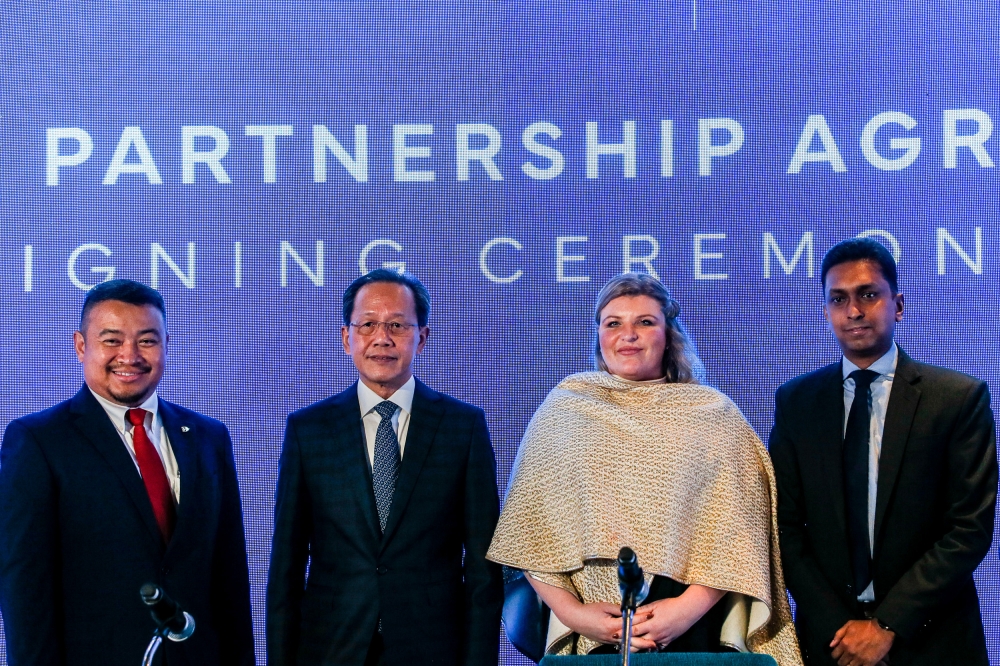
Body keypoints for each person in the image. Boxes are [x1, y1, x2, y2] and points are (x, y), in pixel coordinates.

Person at [487, 273, 801, 664]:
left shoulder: (712, 414)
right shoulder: (565, 408)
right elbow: (527, 531)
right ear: (599, 336)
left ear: (668, 334)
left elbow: (741, 530)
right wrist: (575, 615)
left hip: (694, 627)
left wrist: (685, 610)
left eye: (645, 322)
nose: (628, 334)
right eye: (613, 323)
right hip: (595, 624)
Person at [0, 279, 255, 666]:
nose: (130, 355)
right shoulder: (38, 441)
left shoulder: (208, 438)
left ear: (167, 344)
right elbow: (24, 588)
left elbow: (229, 579)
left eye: (147, 340)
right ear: (81, 346)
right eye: (112, 340)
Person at [769, 238, 997, 666]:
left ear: (899, 304)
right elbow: (785, 530)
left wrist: (887, 624)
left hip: (933, 640)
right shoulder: (797, 403)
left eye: (868, 295)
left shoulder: (956, 399)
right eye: (838, 299)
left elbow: (968, 529)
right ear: (826, 312)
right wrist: (841, 627)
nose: (853, 311)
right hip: (832, 644)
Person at [266, 269, 504, 666]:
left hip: (432, 649)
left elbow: (482, 573)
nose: (382, 338)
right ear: (347, 338)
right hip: (330, 648)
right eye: (368, 325)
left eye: (397, 325)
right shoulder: (309, 430)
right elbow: (286, 568)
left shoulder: (462, 428)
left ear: (422, 338)